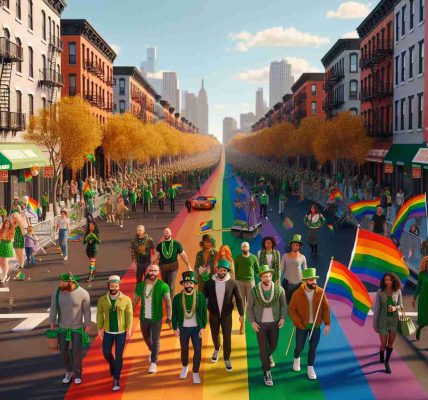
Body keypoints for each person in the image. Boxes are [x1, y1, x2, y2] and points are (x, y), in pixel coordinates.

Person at [49, 273, 91, 385]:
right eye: (60, 282)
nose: (60, 284)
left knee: (76, 352)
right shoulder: (57, 292)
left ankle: (77, 373)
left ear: (71, 282)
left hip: (77, 328)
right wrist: (52, 321)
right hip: (62, 328)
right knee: (63, 351)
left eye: (63, 282)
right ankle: (68, 371)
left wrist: (87, 324)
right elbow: (53, 307)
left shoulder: (83, 293)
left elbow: (86, 310)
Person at [247, 265, 286, 387]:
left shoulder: (279, 290)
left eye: (269, 276)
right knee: (263, 348)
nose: (267, 278)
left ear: (272, 276)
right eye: (264, 276)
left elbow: (284, 305)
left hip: (274, 323)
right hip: (260, 324)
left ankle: (268, 355)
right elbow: (249, 308)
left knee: (273, 345)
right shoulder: (254, 291)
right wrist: (252, 321)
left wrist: (283, 318)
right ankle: (267, 371)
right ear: (261, 277)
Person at [289, 268, 331, 380]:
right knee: (299, 346)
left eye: (315, 280)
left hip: (316, 326)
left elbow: (326, 308)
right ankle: (296, 358)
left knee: (313, 348)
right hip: (302, 326)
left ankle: (310, 367)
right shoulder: (297, 294)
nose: (314, 282)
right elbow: (292, 310)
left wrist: (327, 323)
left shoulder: (321, 292)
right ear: (305, 281)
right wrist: (297, 322)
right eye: (311, 280)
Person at [203, 259, 244, 371]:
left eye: (224, 270)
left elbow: (239, 299)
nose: (221, 272)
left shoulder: (233, 283)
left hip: (227, 315)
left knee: (227, 336)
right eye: (220, 270)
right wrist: (202, 312)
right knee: (214, 333)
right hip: (213, 314)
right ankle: (217, 349)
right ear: (217, 270)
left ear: (227, 271)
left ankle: (227, 358)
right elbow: (203, 298)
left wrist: (241, 314)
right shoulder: (209, 283)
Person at [97, 275, 133, 392]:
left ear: (119, 286)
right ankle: (113, 365)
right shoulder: (102, 300)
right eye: (112, 286)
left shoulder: (126, 299)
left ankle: (116, 378)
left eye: (116, 286)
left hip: (121, 333)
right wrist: (99, 328)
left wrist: (128, 328)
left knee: (119, 356)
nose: (114, 288)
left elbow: (129, 315)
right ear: (108, 286)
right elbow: (99, 314)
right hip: (108, 331)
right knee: (106, 352)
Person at [133, 264, 172, 373]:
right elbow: (135, 301)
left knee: (156, 340)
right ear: (147, 272)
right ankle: (153, 351)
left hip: (157, 318)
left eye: (155, 271)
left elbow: (168, 303)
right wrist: (128, 314)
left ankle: (154, 362)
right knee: (146, 338)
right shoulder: (140, 285)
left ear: (158, 272)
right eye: (151, 271)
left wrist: (169, 318)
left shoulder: (163, 286)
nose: (153, 273)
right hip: (144, 318)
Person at [172, 271, 207, 384]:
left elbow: (203, 313)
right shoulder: (177, 298)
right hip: (183, 329)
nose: (189, 285)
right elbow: (175, 315)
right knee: (184, 349)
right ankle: (185, 367)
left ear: (194, 284)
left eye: (191, 283)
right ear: (183, 284)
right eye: (186, 283)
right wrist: (174, 328)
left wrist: (203, 327)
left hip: (197, 328)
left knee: (198, 350)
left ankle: (195, 372)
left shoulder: (200, 296)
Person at [373, 272, 403, 374]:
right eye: (386, 280)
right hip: (382, 321)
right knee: (383, 344)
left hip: (393, 321)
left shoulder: (398, 292)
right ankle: (381, 351)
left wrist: (395, 307)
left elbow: (401, 306)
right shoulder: (379, 292)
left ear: (394, 280)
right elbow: (376, 308)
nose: (388, 282)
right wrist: (374, 323)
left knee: (390, 343)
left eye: (390, 280)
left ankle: (387, 362)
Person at [152, 228, 191, 298]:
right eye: (165, 232)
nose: (166, 234)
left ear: (171, 234)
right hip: (163, 268)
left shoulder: (176, 244)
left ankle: (172, 305)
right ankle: (167, 301)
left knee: (171, 287)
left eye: (168, 232)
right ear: (163, 234)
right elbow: (155, 255)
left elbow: (183, 255)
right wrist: (150, 264)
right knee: (165, 286)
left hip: (173, 268)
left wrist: (188, 266)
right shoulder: (160, 245)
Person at [234, 242, 259, 334]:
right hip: (239, 282)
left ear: (249, 248)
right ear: (241, 248)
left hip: (250, 282)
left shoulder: (253, 258)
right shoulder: (237, 258)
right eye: (243, 247)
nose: (244, 248)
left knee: (251, 303)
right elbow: (234, 271)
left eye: (246, 247)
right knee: (241, 304)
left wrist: (265, 277)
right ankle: (242, 324)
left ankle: (253, 322)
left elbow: (257, 270)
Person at [281, 234, 307, 304]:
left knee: (297, 299)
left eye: (297, 245)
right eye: (294, 245)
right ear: (291, 245)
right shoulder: (285, 256)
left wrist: (305, 282)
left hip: (299, 282)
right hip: (287, 281)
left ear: (299, 247)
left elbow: (305, 270)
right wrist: (278, 279)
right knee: (287, 299)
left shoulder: (303, 257)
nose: (295, 246)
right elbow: (281, 269)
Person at [413, 257, 428, 341]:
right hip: (423, 299)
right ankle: (419, 328)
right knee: (423, 320)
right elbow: (418, 287)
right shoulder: (421, 274)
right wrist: (414, 299)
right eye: (426, 263)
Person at [0, 217, 15, 283]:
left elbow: (12, 239)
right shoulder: (1, 230)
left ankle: (5, 275)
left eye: (8, 224)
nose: (7, 225)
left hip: (8, 246)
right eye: (6, 224)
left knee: (5, 261)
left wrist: (10, 239)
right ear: (4, 224)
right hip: (1, 246)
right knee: (1, 262)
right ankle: (4, 274)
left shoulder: (11, 230)